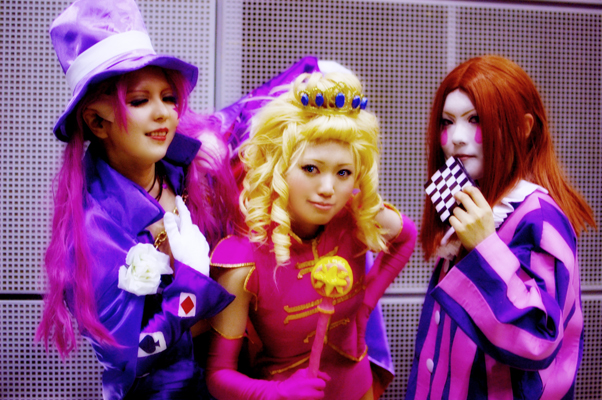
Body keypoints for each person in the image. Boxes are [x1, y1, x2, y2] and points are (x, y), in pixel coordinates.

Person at [35, 0, 241, 398]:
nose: (163, 113)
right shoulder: (94, 229)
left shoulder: (184, 165)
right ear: (97, 121)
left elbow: (246, 117)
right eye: (139, 101)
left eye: (168, 97)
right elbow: (130, 357)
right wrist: (190, 283)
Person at [205, 71, 417, 400]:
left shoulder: (354, 218)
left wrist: (365, 307)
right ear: (278, 167)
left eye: (343, 172)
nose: (328, 188)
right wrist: (276, 393)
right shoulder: (243, 260)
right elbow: (218, 376)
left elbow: (407, 236)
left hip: (359, 389)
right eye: (311, 169)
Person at [406, 55, 595, 400]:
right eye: (447, 122)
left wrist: (485, 247)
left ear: (523, 128)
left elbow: (538, 339)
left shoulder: (540, 219)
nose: (456, 138)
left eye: (475, 119)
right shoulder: (472, 203)